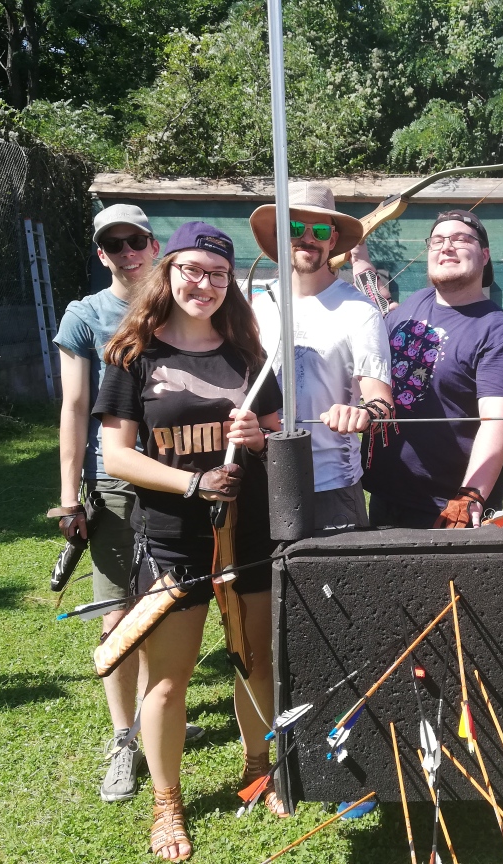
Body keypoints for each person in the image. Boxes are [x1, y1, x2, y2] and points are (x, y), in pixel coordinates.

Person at [94, 222, 282, 861]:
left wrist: (259, 435)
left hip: (249, 533)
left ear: (231, 285)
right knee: (168, 681)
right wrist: (193, 483)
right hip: (172, 540)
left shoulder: (248, 356)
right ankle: (167, 803)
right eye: (192, 271)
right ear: (167, 271)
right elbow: (117, 456)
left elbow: (280, 438)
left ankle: (259, 765)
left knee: (254, 657)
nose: (204, 284)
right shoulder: (133, 354)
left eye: (218, 275)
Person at [52, 204, 202, 803]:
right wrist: (68, 497)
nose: (128, 253)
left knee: (167, 600)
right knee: (117, 609)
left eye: (135, 241)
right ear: (101, 254)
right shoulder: (86, 315)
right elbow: (72, 406)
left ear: (152, 241)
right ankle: (124, 737)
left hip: (182, 472)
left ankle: (158, 706)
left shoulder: (182, 297)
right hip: (115, 482)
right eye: (114, 245)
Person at [363, 210, 503, 528]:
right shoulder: (412, 305)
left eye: (461, 239)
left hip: (449, 509)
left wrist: (471, 495)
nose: (446, 246)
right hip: (387, 498)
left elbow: (498, 421)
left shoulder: (497, 331)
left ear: (484, 255)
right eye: (437, 240)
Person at [249, 183, 394, 533]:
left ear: (333, 240)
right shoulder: (250, 303)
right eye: (295, 228)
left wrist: (360, 413)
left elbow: (383, 405)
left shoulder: (359, 311)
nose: (307, 238)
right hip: (256, 480)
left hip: (331, 487)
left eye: (320, 230)